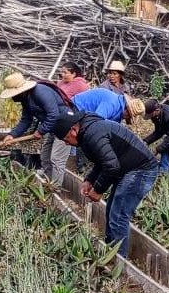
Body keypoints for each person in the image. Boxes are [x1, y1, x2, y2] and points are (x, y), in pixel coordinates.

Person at [51, 110, 158, 257]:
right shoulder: (89, 131)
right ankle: (110, 251)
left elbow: (112, 166)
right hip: (128, 168)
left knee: (119, 215)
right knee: (112, 211)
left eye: (65, 138)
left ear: (73, 130)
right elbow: (103, 160)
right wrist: (89, 180)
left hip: (141, 169)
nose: (65, 142)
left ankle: (119, 260)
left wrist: (98, 190)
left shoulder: (92, 134)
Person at [0, 72, 74, 182]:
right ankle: (49, 184)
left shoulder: (40, 92)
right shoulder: (26, 99)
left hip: (66, 127)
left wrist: (41, 131)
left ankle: (56, 189)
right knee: (45, 157)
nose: (13, 97)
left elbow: (53, 114)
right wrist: (12, 134)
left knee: (56, 159)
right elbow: (26, 120)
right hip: (52, 128)